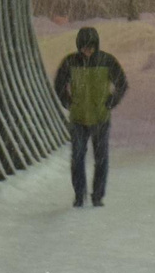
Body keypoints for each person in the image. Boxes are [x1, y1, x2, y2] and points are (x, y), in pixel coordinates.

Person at [51, 25, 130, 208]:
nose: (88, 51)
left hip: (100, 118)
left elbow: (122, 83)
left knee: (101, 159)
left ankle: (97, 196)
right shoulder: (70, 62)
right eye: (84, 47)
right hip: (78, 119)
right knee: (77, 158)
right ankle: (80, 195)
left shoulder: (107, 61)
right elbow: (59, 85)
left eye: (91, 47)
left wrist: (111, 101)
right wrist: (68, 102)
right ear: (79, 46)